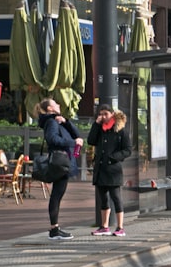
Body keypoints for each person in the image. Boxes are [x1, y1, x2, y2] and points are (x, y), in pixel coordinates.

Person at [37, 97, 82, 241]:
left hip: (64, 161)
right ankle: (54, 229)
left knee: (58, 194)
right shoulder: (51, 122)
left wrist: (66, 122)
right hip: (60, 162)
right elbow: (53, 139)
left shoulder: (57, 120)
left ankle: (55, 228)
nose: (59, 104)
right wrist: (72, 142)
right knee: (57, 195)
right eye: (55, 103)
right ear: (49, 108)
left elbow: (77, 134)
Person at [88, 105, 132, 236]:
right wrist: (96, 124)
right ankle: (104, 226)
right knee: (103, 198)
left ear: (112, 114)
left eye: (106, 114)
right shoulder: (100, 129)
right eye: (101, 114)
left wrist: (114, 157)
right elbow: (91, 140)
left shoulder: (120, 130)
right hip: (101, 169)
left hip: (113, 170)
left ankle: (120, 227)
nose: (103, 117)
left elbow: (128, 150)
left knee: (116, 197)